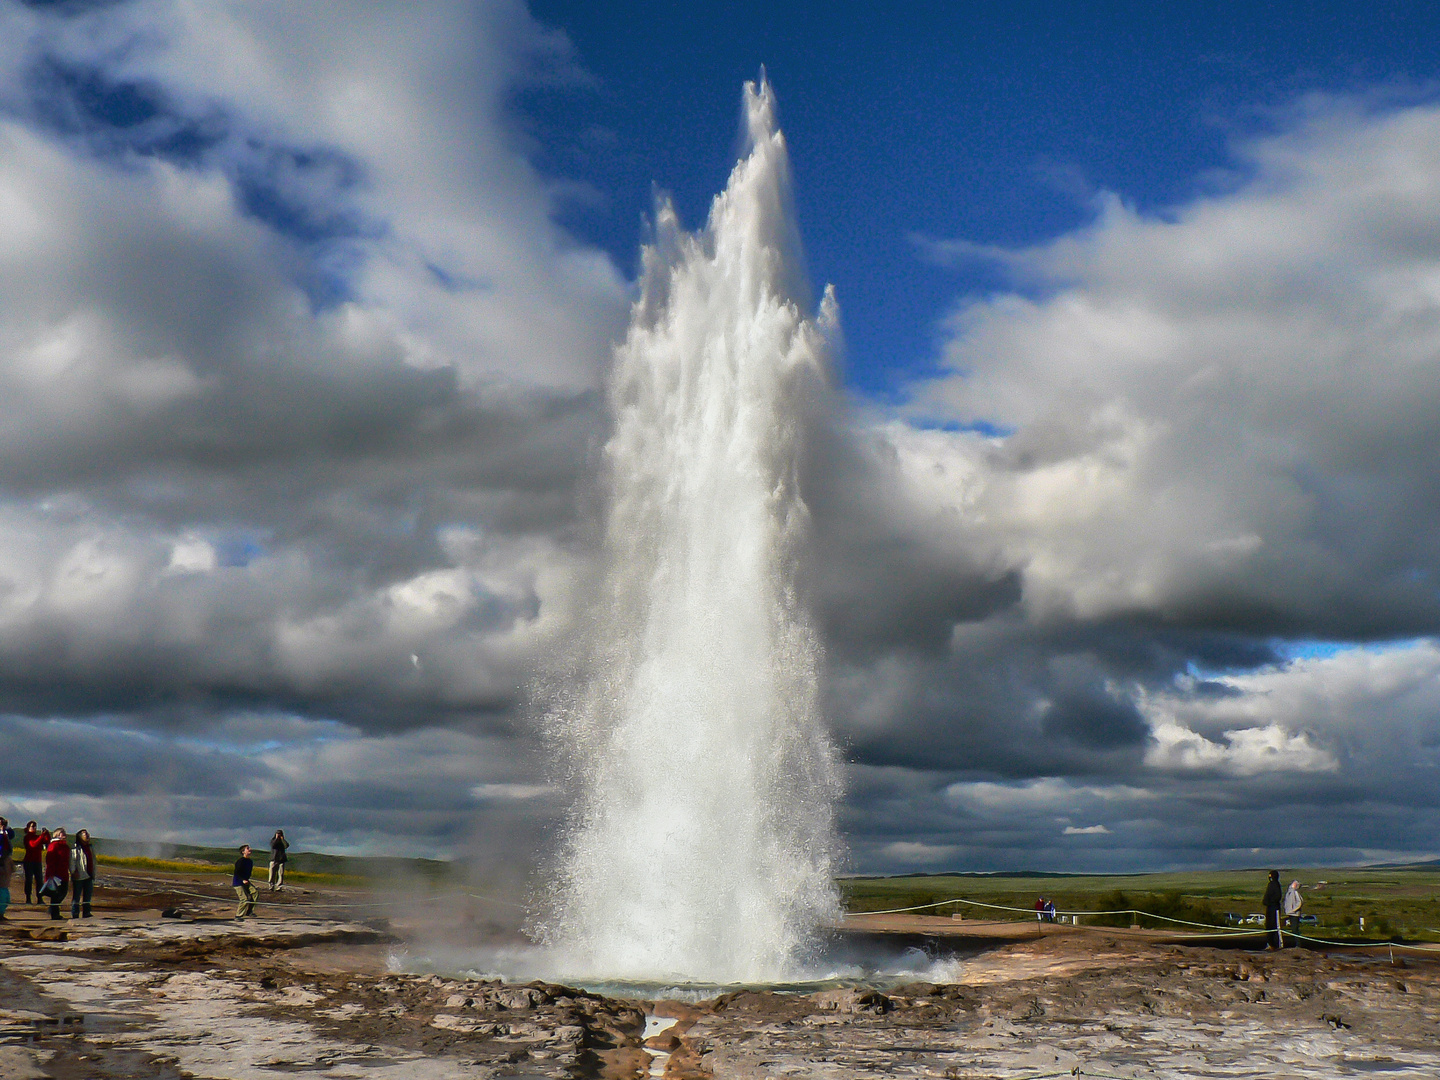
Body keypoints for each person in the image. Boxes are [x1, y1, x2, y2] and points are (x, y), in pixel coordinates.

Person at [41, 827, 70, 920]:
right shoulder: (53, 845)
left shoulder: (66, 846)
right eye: (62, 832)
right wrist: (50, 874)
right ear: (57, 835)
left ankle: (52, 909)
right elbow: (50, 861)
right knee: (56, 894)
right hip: (55, 874)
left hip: (64, 873)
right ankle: (55, 914)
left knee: (63, 892)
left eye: (64, 832)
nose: (64, 834)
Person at [70, 829, 96, 919]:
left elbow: (93, 861)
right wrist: (73, 872)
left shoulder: (90, 847)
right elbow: (72, 860)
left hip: (89, 874)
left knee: (88, 896)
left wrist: (93, 873)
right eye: (85, 834)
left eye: (88, 833)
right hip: (79, 875)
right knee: (76, 896)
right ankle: (75, 913)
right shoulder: (76, 847)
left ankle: (86, 912)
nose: (88, 835)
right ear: (80, 836)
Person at [21, 821, 44, 904]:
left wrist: (46, 834)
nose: (34, 828)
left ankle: (40, 898)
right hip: (29, 861)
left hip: (37, 861)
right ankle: (28, 898)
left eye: (35, 826)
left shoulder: (37, 837)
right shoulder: (27, 837)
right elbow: (33, 844)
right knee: (29, 880)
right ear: (28, 828)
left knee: (39, 880)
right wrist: (42, 836)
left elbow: (46, 841)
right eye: (32, 826)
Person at [233, 845, 257, 919]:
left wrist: (246, 880)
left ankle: (249, 911)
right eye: (247, 848)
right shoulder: (240, 861)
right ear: (243, 852)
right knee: (244, 899)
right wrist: (242, 880)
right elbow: (236, 872)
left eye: (249, 848)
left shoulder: (250, 861)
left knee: (255, 892)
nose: (250, 849)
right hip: (238, 882)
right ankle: (238, 916)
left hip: (246, 881)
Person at [1263, 869, 1284, 949]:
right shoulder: (1271, 884)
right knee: (1269, 926)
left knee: (1275, 926)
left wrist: (1270, 902)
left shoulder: (1275, 885)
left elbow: (1277, 897)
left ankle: (1276, 944)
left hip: (1274, 908)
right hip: (1269, 908)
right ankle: (1270, 943)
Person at [0, 826, 12, 921]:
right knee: (3, 895)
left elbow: (11, 835)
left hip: (5, 858)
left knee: (5, 897)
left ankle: (1, 913)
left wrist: (5, 829)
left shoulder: (6, 833)